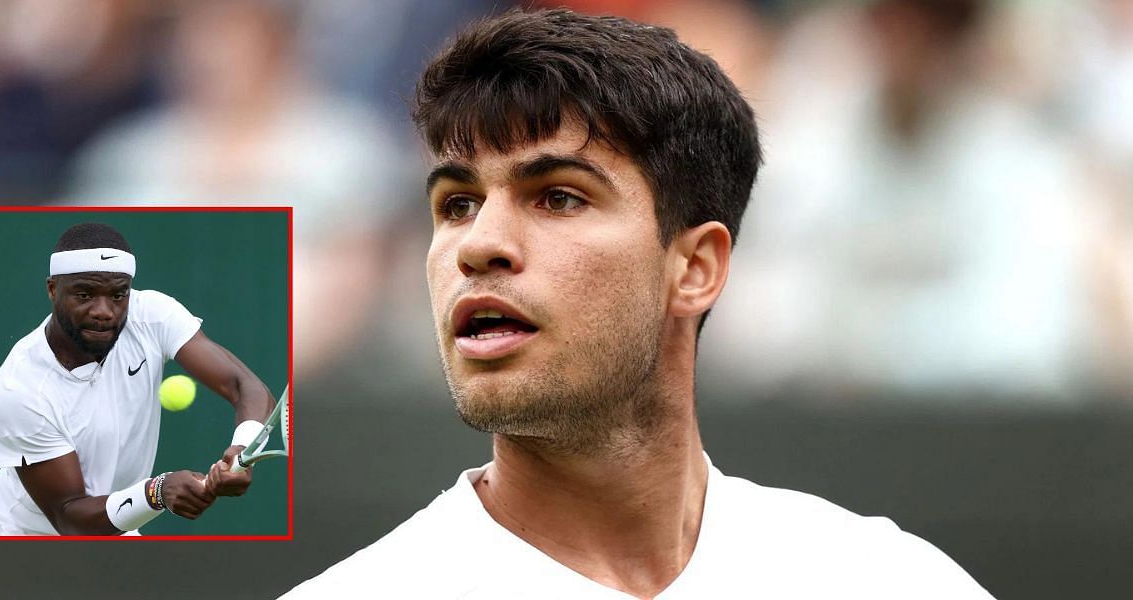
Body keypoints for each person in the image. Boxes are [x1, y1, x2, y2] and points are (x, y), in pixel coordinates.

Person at [285, 8, 994, 599]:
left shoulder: (890, 583)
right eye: (457, 202)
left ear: (695, 267)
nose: (479, 245)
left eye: (558, 196)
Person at [0, 222, 275, 536]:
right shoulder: (18, 391)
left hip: (114, 528)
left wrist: (243, 453)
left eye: (118, 295)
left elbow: (246, 386)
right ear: (52, 290)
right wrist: (156, 492)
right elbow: (69, 517)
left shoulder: (152, 315)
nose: (104, 311)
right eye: (84, 294)